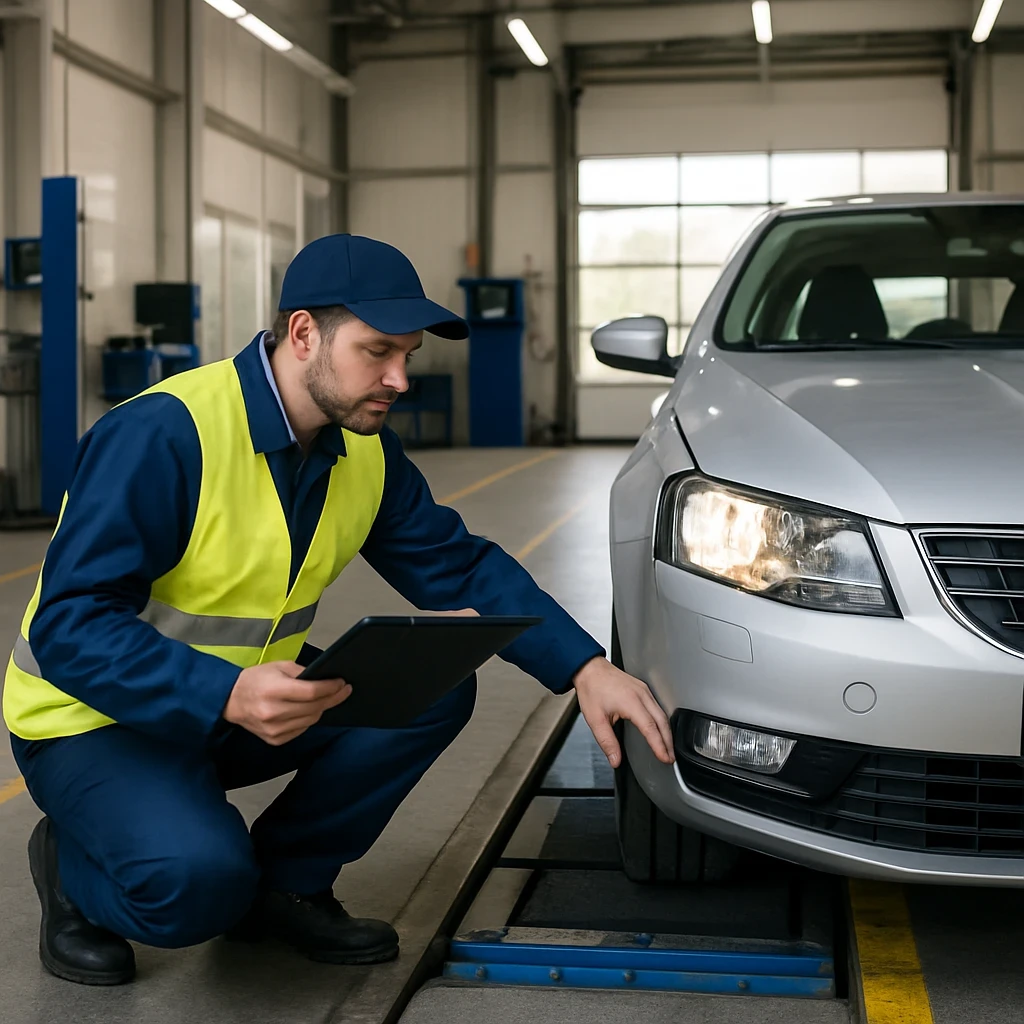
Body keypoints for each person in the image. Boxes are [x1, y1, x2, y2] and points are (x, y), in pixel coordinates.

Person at [2, 233, 674, 987]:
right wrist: (221, 693)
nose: (399, 378)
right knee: (194, 893)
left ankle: (288, 884)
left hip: (245, 702)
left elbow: (457, 564)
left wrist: (585, 666)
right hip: (96, 721)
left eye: (408, 356)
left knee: (433, 682)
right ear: (302, 334)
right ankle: (69, 869)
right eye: (378, 351)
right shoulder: (163, 435)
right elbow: (69, 622)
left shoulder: (362, 450)